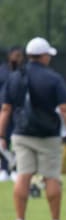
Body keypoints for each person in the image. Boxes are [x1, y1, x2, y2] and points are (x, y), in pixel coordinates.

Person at [0, 37, 66, 220]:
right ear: (44, 56)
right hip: (48, 135)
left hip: (21, 132)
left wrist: (1, 135)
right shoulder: (54, 78)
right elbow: (65, 109)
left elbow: (6, 109)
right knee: (51, 177)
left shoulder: (15, 76)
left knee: (23, 176)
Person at [0, 46, 24, 182]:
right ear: (9, 56)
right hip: (3, 111)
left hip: (19, 112)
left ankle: (15, 169)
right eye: (15, 55)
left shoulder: (23, 72)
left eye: (20, 56)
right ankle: (3, 168)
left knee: (18, 141)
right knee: (3, 140)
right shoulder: (2, 71)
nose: (17, 58)